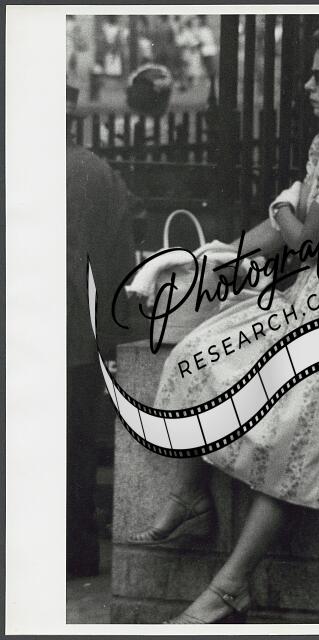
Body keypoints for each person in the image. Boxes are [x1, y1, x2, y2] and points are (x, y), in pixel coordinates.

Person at [130, 28, 319, 623]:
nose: (307, 85)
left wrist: (281, 209)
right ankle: (190, 497)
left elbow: (307, 243)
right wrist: (222, 255)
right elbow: (289, 231)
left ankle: (229, 587)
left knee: (294, 426)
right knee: (199, 353)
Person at [67, 85, 135, 576]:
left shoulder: (70, 171)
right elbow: (115, 262)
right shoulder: (93, 169)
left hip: (54, 331)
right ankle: (74, 551)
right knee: (73, 449)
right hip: (75, 335)